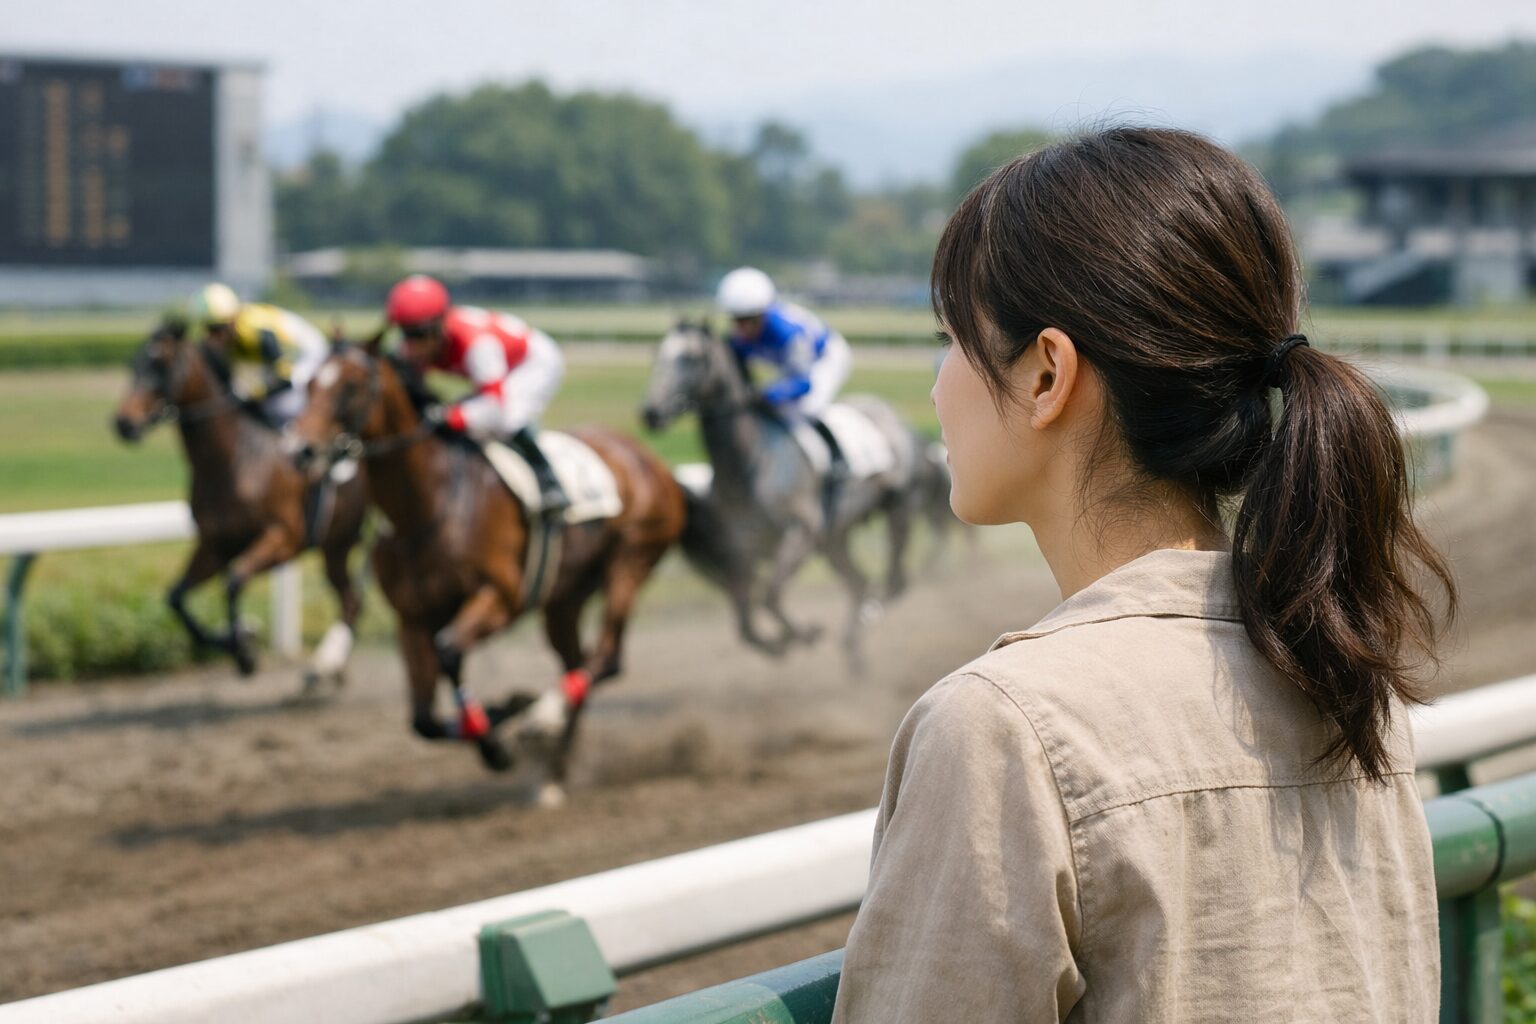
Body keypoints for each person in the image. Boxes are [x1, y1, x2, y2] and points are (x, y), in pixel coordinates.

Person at [832, 127, 1454, 1022]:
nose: (936, 387)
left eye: (951, 338)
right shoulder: (1346, 673)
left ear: (1048, 374)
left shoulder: (1003, 730)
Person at [384, 275, 568, 512]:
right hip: (501, 367)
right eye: (405, 333)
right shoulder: (410, 348)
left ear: (440, 325)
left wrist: (450, 417)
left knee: (507, 419)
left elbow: (494, 408)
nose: (411, 345)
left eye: (419, 334)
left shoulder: (477, 345)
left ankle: (549, 481)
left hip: (532, 362)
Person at [716, 267, 852, 473]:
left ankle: (837, 459)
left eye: (748, 320)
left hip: (826, 358)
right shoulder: (739, 338)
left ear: (763, 314)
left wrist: (768, 394)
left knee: (808, 407)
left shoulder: (789, 334)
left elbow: (803, 383)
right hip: (792, 366)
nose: (742, 329)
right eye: (737, 320)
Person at [189, 283, 328, 426]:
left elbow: (284, 380)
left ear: (232, 321)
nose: (212, 337)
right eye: (209, 329)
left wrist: (252, 394)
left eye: (217, 329)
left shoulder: (256, 331)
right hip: (280, 361)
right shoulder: (231, 331)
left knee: (282, 406)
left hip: (308, 354)